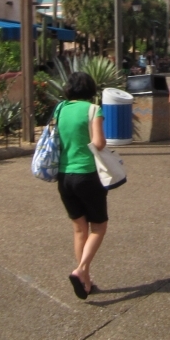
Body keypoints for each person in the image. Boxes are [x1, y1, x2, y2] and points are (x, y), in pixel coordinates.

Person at [55, 71, 108, 299]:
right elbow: (99, 143)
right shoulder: (93, 109)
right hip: (86, 174)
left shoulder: (60, 109)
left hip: (64, 176)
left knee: (79, 229)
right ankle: (81, 269)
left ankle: (86, 282)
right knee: (99, 226)